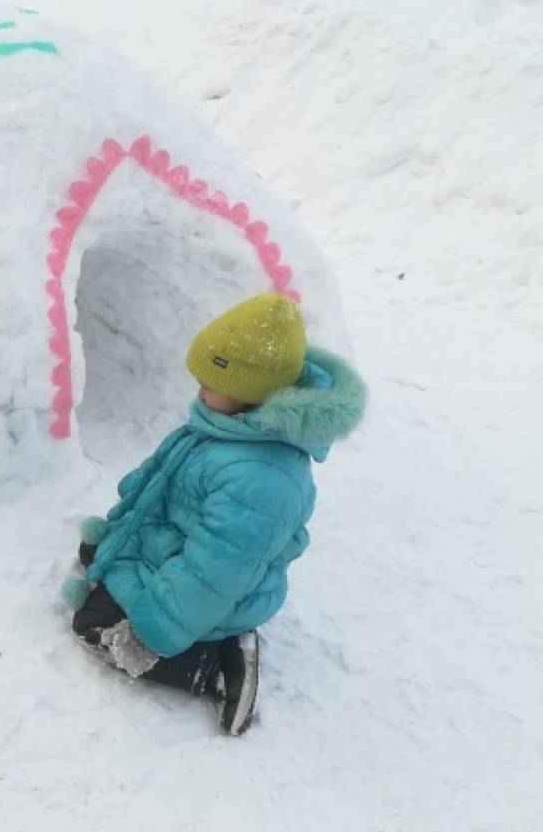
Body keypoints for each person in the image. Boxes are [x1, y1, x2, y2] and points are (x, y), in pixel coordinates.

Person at [66, 293, 365, 735]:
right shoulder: (229, 426)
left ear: (251, 392)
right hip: (178, 551)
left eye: (212, 383)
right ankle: (136, 578)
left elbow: (217, 571)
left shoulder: (263, 478)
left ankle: (213, 666)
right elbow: (164, 480)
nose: (200, 391)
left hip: (217, 597)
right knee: (104, 567)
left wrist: (154, 630)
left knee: (92, 624)